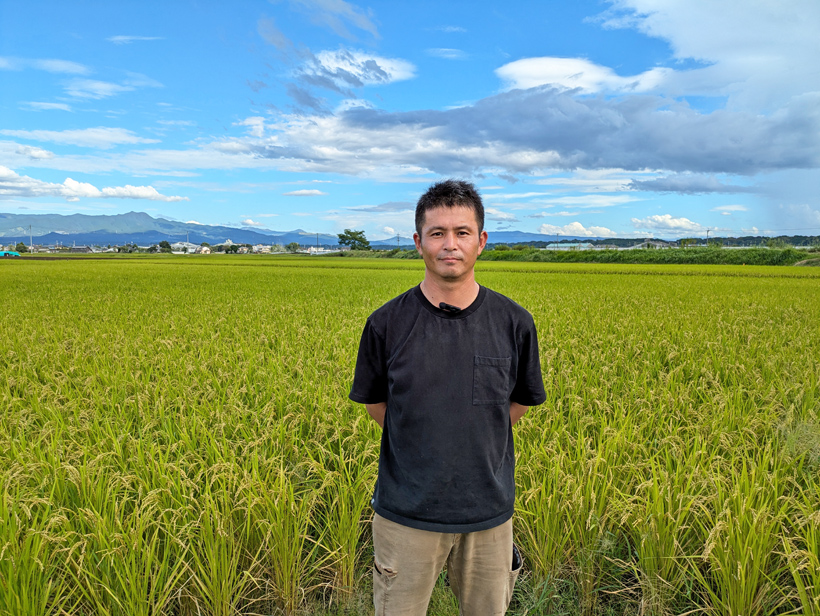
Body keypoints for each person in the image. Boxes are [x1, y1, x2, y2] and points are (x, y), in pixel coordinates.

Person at [349, 179, 546, 616]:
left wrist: (474, 429)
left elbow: (518, 403)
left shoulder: (514, 323)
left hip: (489, 514)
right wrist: (422, 432)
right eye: (437, 233)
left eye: (461, 232)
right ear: (419, 243)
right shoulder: (386, 324)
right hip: (405, 514)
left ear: (482, 241)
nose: (449, 244)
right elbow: (375, 403)